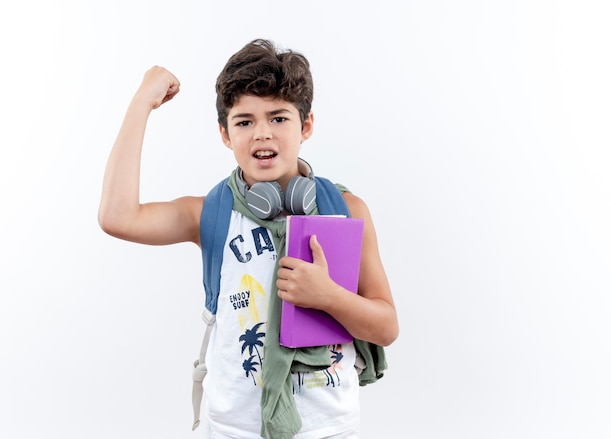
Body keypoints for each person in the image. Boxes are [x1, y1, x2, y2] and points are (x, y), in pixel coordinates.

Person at [98, 38, 398, 439]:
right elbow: (118, 217)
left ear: (305, 125)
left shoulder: (346, 210)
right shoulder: (211, 213)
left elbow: (386, 328)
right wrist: (141, 104)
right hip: (233, 429)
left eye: (278, 118)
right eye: (244, 121)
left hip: (327, 429)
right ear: (225, 133)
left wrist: (328, 296)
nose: (262, 134)